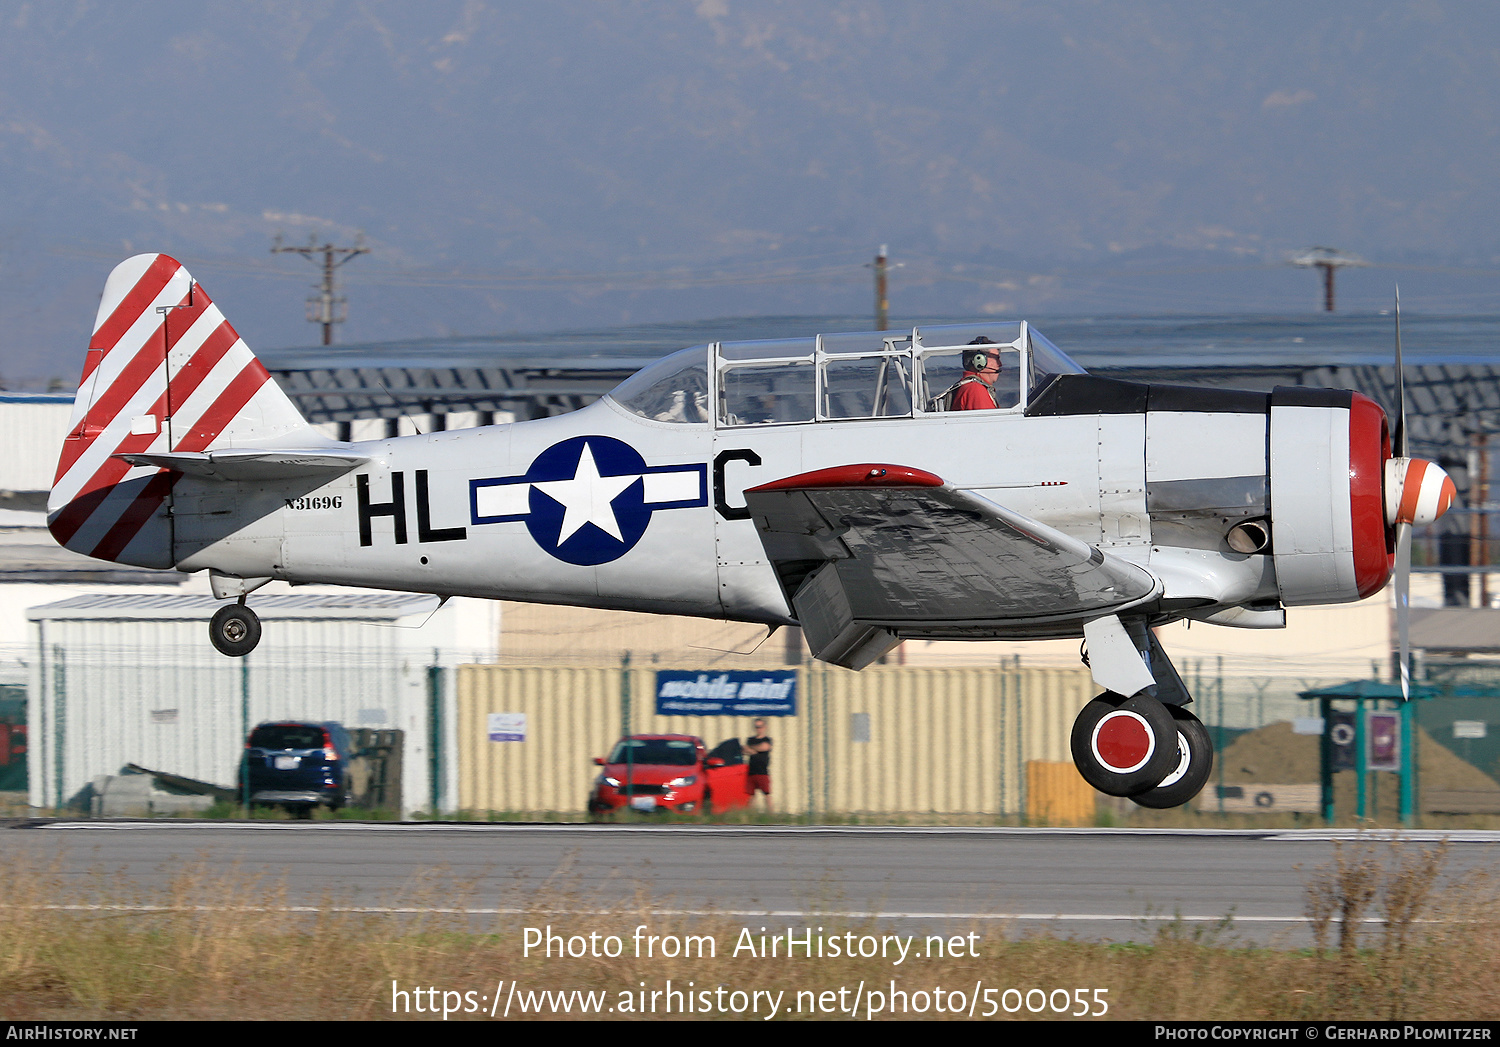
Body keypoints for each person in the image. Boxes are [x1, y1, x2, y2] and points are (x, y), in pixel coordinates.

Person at [947, 336, 1001, 411]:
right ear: (979, 360)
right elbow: (987, 421)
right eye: (996, 358)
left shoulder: (971, 387)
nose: (1000, 364)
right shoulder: (976, 389)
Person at [743, 718, 772, 811]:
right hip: (751, 771)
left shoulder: (767, 739)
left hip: (762, 771)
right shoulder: (750, 739)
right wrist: (756, 748)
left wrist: (753, 749)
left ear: (765, 727)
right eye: (756, 727)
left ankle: (771, 816)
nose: (758, 729)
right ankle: (749, 817)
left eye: (760, 727)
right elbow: (745, 749)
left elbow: (765, 747)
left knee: (767, 795)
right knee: (751, 796)